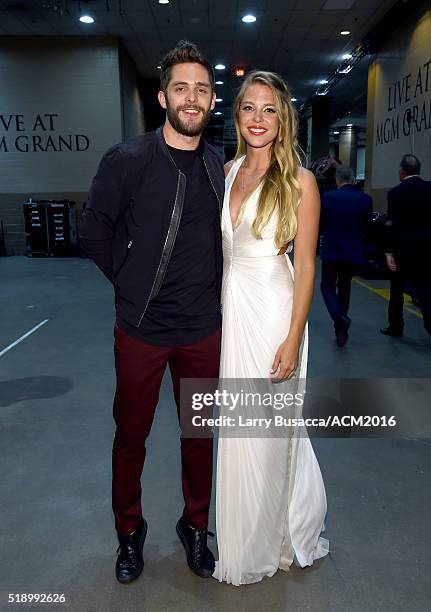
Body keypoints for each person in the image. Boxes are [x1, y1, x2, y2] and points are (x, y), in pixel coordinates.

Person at [79, 41, 224, 584]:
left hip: (202, 330)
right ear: (163, 96)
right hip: (141, 330)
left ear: (212, 102)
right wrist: (132, 283)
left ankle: (195, 525)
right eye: (181, 88)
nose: (192, 98)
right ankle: (130, 533)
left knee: (199, 436)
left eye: (202, 90)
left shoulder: (217, 168)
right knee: (130, 437)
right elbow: (93, 232)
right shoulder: (128, 160)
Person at [213, 71, 329, 586]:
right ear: (237, 117)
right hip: (232, 307)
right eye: (248, 108)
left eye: (269, 109)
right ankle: (247, 532)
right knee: (241, 429)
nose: (258, 119)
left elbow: (305, 267)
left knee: (272, 428)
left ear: (284, 120)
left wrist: (292, 336)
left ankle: (282, 531)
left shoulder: (301, 181)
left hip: (275, 312)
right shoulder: (226, 170)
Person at [319, 166, 373, 346]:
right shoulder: (365, 200)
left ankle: (339, 317)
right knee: (345, 287)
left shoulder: (327, 198)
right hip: (353, 251)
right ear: (352, 179)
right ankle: (340, 330)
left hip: (332, 249)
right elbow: (367, 227)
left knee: (326, 286)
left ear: (337, 179)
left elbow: (321, 224)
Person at [381, 154, 431, 337]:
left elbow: (391, 224)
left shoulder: (396, 193)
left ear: (402, 173)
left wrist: (388, 252)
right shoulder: (429, 189)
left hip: (402, 251)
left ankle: (396, 326)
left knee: (397, 291)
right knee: (426, 289)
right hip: (426, 250)